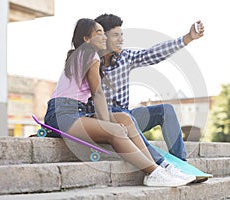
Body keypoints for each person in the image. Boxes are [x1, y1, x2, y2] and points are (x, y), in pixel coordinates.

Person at [43, 18, 196, 187]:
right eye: (99, 33)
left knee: (125, 119)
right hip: (62, 113)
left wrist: (186, 38)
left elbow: (151, 54)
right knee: (116, 130)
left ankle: (162, 166)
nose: (104, 37)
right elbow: (97, 94)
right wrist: (107, 125)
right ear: (86, 39)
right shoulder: (89, 54)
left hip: (77, 112)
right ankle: (153, 172)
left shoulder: (88, 56)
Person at [95, 14, 204, 167]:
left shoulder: (124, 57)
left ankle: (181, 164)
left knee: (166, 110)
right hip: (102, 121)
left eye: (121, 35)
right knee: (123, 115)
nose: (121, 39)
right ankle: (159, 165)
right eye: (115, 35)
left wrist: (187, 38)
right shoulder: (90, 62)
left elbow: (153, 53)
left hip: (127, 117)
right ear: (102, 37)